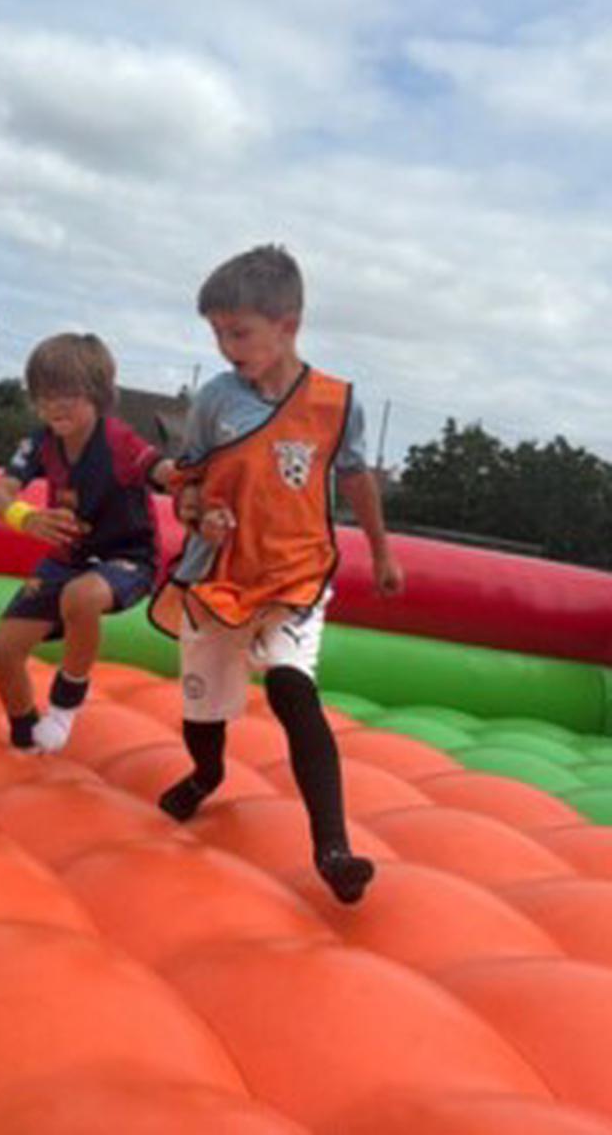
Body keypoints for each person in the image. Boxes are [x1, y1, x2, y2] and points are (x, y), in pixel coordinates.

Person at [149, 244, 403, 905]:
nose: (227, 345)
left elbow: (355, 478)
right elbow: (187, 486)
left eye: (239, 332)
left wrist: (380, 552)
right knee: (204, 714)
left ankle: (334, 849)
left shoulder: (332, 403)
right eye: (217, 332)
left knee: (294, 689)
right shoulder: (215, 402)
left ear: (287, 325)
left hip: (297, 572)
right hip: (221, 577)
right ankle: (206, 776)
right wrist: (197, 514)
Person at [0, 333, 177, 753]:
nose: (54, 405)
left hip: (128, 560)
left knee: (81, 596)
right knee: (1, 652)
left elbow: (161, 469)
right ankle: (26, 738)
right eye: (44, 395)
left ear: (97, 394)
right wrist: (26, 517)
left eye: (67, 395)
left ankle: (65, 704)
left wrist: (191, 481)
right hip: (67, 560)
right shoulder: (40, 441)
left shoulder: (117, 440)